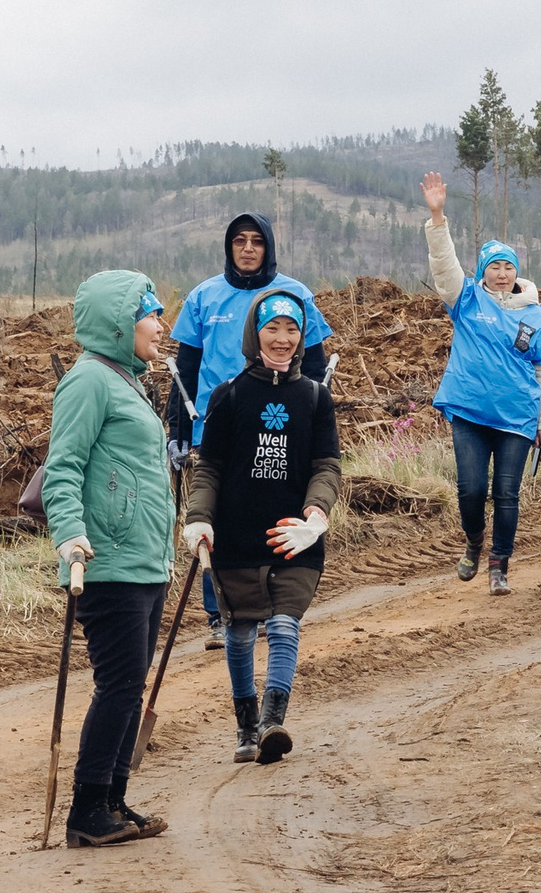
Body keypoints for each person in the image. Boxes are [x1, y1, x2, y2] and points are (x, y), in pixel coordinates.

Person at [41, 270, 176, 848]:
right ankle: (88, 809)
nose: (161, 325)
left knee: (130, 684)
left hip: (145, 561)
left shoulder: (127, 379)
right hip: (108, 563)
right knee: (118, 685)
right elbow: (62, 470)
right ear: (121, 323)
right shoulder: (88, 381)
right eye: (151, 314)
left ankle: (114, 800)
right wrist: (70, 538)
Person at [179, 292, 341, 765]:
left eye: (292, 330)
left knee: (286, 625)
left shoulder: (314, 396)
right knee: (240, 632)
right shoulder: (228, 396)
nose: (283, 339)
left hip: (295, 537)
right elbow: (208, 467)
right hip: (238, 536)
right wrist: (199, 519)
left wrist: (316, 516)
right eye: (273, 328)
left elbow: (326, 465)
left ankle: (273, 721)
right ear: (256, 334)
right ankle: (246, 728)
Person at [167, 213, 333, 649]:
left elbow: (314, 366)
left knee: (275, 511)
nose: (247, 248)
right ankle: (220, 612)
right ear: (228, 247)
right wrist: (178, 430)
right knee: (216, 516)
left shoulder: (295, 294)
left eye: (256, 241)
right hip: (218, 423)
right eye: (239, 240)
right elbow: (185, 369)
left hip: (281, 423)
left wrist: (315, 417)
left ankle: (272, 604)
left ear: (268, 247)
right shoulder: (204, 296)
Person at [419, 173, 541, 595]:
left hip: (517, 416)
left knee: (506, 493)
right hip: (468, 410)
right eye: (494, 266)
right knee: (471, 488)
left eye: (508, 266)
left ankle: (499, 564)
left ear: (517, 271)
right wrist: (437, 216)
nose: (502, 273)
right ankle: (474, 540)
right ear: (483, 271)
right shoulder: (466, 299)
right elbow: (444, 266)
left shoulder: (536, 316)